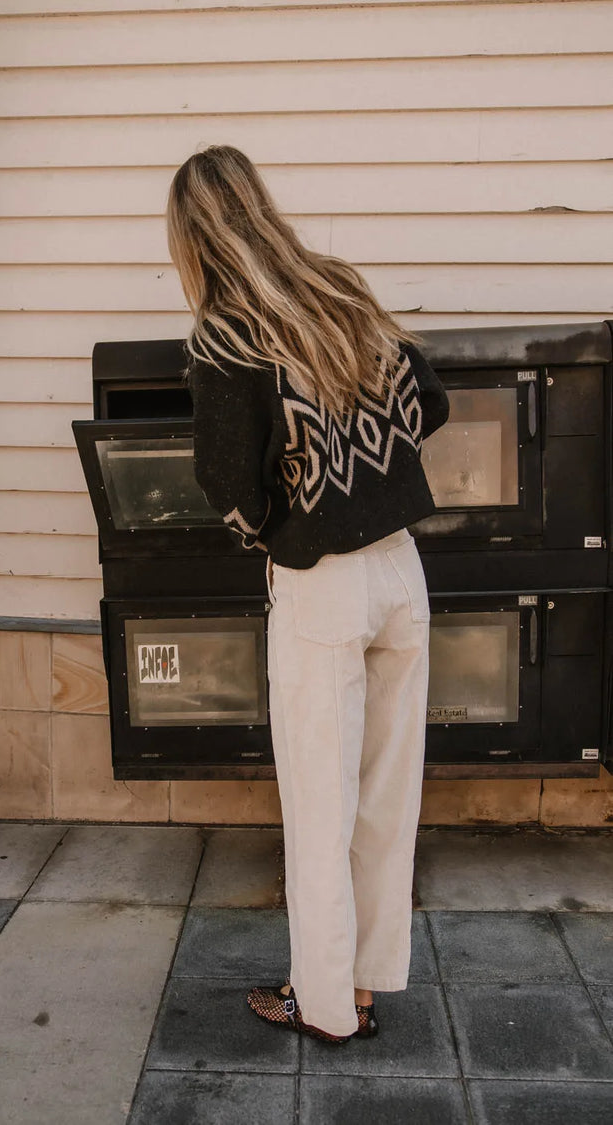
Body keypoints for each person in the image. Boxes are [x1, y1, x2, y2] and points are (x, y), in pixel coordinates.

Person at [166, 145, 450, 1044]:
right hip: (402, 570)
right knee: (382, 801)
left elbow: (225, 480)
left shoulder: (226, 330)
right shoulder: (338, 286)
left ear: (193, 233)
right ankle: (362, 988)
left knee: (320, 806)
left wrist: (285, 524)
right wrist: (363, 464)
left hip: (322, 584)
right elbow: (429, 402)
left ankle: (325, 1008)